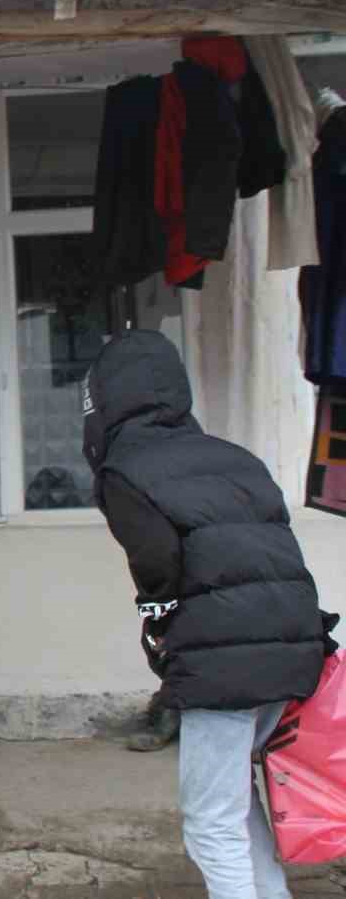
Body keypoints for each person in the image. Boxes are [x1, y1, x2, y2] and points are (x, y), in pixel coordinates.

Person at [83, 329, 336, 899]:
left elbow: (156, 561)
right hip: (294, 642)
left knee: (209, 822)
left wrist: (157, 621)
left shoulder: (125, 469)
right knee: (235, 803)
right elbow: (275, 544)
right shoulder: (234, 456)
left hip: (226, 663)